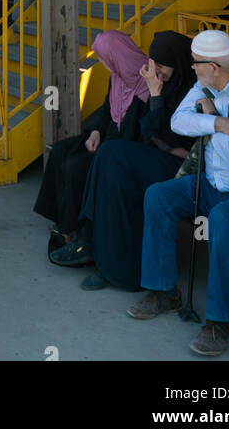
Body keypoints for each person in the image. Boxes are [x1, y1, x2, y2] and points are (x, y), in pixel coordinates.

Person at [128, 28, 229, 357]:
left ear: (214, 66)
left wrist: (212, 115)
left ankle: (218, 323)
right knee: (159, 195)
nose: (191, 68)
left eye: (196, 63)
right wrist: (221, 125)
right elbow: (179, 123)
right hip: (210, 183)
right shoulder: (205, 83)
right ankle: (163, 291)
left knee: (222, 219)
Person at [76, 31, 195, 290]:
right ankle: (105, 259)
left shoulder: (191, 90)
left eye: (162, 65)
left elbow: (169, 137)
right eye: (154, 64)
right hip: (162, 156)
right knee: (110, 163)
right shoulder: (165, 84)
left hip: (184, 167)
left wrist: (155, 97)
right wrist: (157, 100)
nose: (156, 71)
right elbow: (153, 133)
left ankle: (107, 255)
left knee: (112, 155)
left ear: (179, 62)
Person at [34, 30, 151, 260]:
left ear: (116, 56)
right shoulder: (119, 74)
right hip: (107, 135)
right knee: (60, 150)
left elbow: (138, 132)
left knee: (76, 166)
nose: (102, 63)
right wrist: (96, 130)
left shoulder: (145, 83)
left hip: (123, 148)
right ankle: (61, 218)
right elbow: (107, 108)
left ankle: (74, 232)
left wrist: (105, 138)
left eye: (103, 58)